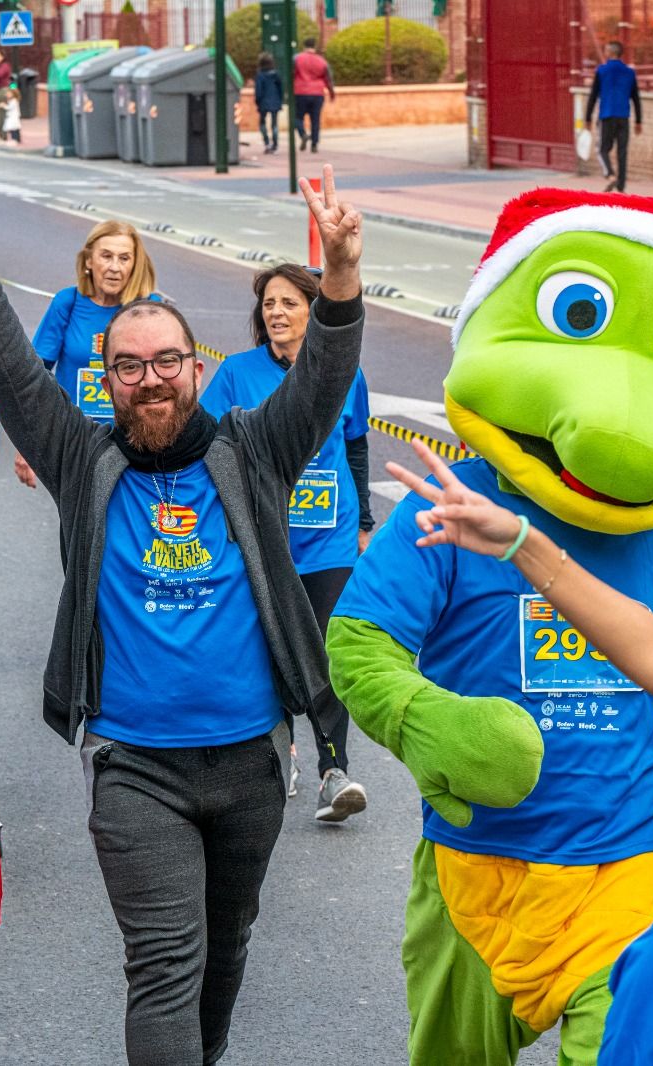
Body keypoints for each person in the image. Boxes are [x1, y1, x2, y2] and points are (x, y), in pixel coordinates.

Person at [0, 164, 364, 1062]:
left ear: (196, 369)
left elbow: (324, 382)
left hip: (253, 760)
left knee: (225, 951)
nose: (150, 380)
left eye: (166, 362)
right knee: (164, 962)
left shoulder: (255, 452)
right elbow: (16, 376)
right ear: (107, 378)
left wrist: (341, 277)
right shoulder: (81, 460)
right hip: (136, 768)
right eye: (128, 367)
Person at [381, 438, 653, 1066]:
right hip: (475, 868)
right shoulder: (448, 507)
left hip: (623, 868)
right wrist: (522, 542)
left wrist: (523, 546)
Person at [199, 263, 372, 820]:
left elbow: (358, 447)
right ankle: (282, 750)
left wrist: (365, 521)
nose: (276, 313)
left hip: (331, 538)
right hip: (263, 537)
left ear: (315, 311)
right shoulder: (235, 375)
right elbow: (208, 450)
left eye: (289, 303)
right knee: (271, 648)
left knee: (328, 652)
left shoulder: (345, 372)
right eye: (269, 304)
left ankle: (334, 771)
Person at [29, 220, 157, 435]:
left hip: (135, 438)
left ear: (135, 264)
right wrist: (31, 439)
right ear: (89, 260)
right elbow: (35, 376)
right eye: (106, 256)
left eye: (124, 258)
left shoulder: (150, 308)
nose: (114, 267)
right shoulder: (67, 302)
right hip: (73, 434)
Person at [586, 40, 642, 193]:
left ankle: (610, 174)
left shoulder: (602, 71)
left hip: (607, 115)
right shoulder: (629, 72)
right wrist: (638, 121)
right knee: (622, 152)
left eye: (606, 50)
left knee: (602, 149)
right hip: (624, 116)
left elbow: (593, 95)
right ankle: (621, 186)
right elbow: (636, 97)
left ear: (610, 53)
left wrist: (588, 118)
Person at [292, 38, 334, 152]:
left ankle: (303, 134)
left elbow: (291, 74)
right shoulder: (321, 61)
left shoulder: (297, 59)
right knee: (315, 119)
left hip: (300, 91)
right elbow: (328, 78)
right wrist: (331, 93)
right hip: (317, 93)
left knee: (297, 117)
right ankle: (314, 144)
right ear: (314, 46)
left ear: (304, 45)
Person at [254, 52, 284, 155]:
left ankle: (267, 143)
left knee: (262, 123)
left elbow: (258, 91)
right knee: (274, 124)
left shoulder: (260, 75)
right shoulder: (276, 74)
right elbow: (281, 89)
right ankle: (275, 144)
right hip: (275, 101)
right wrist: (280, 100)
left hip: (263, 102)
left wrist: (257, 102)